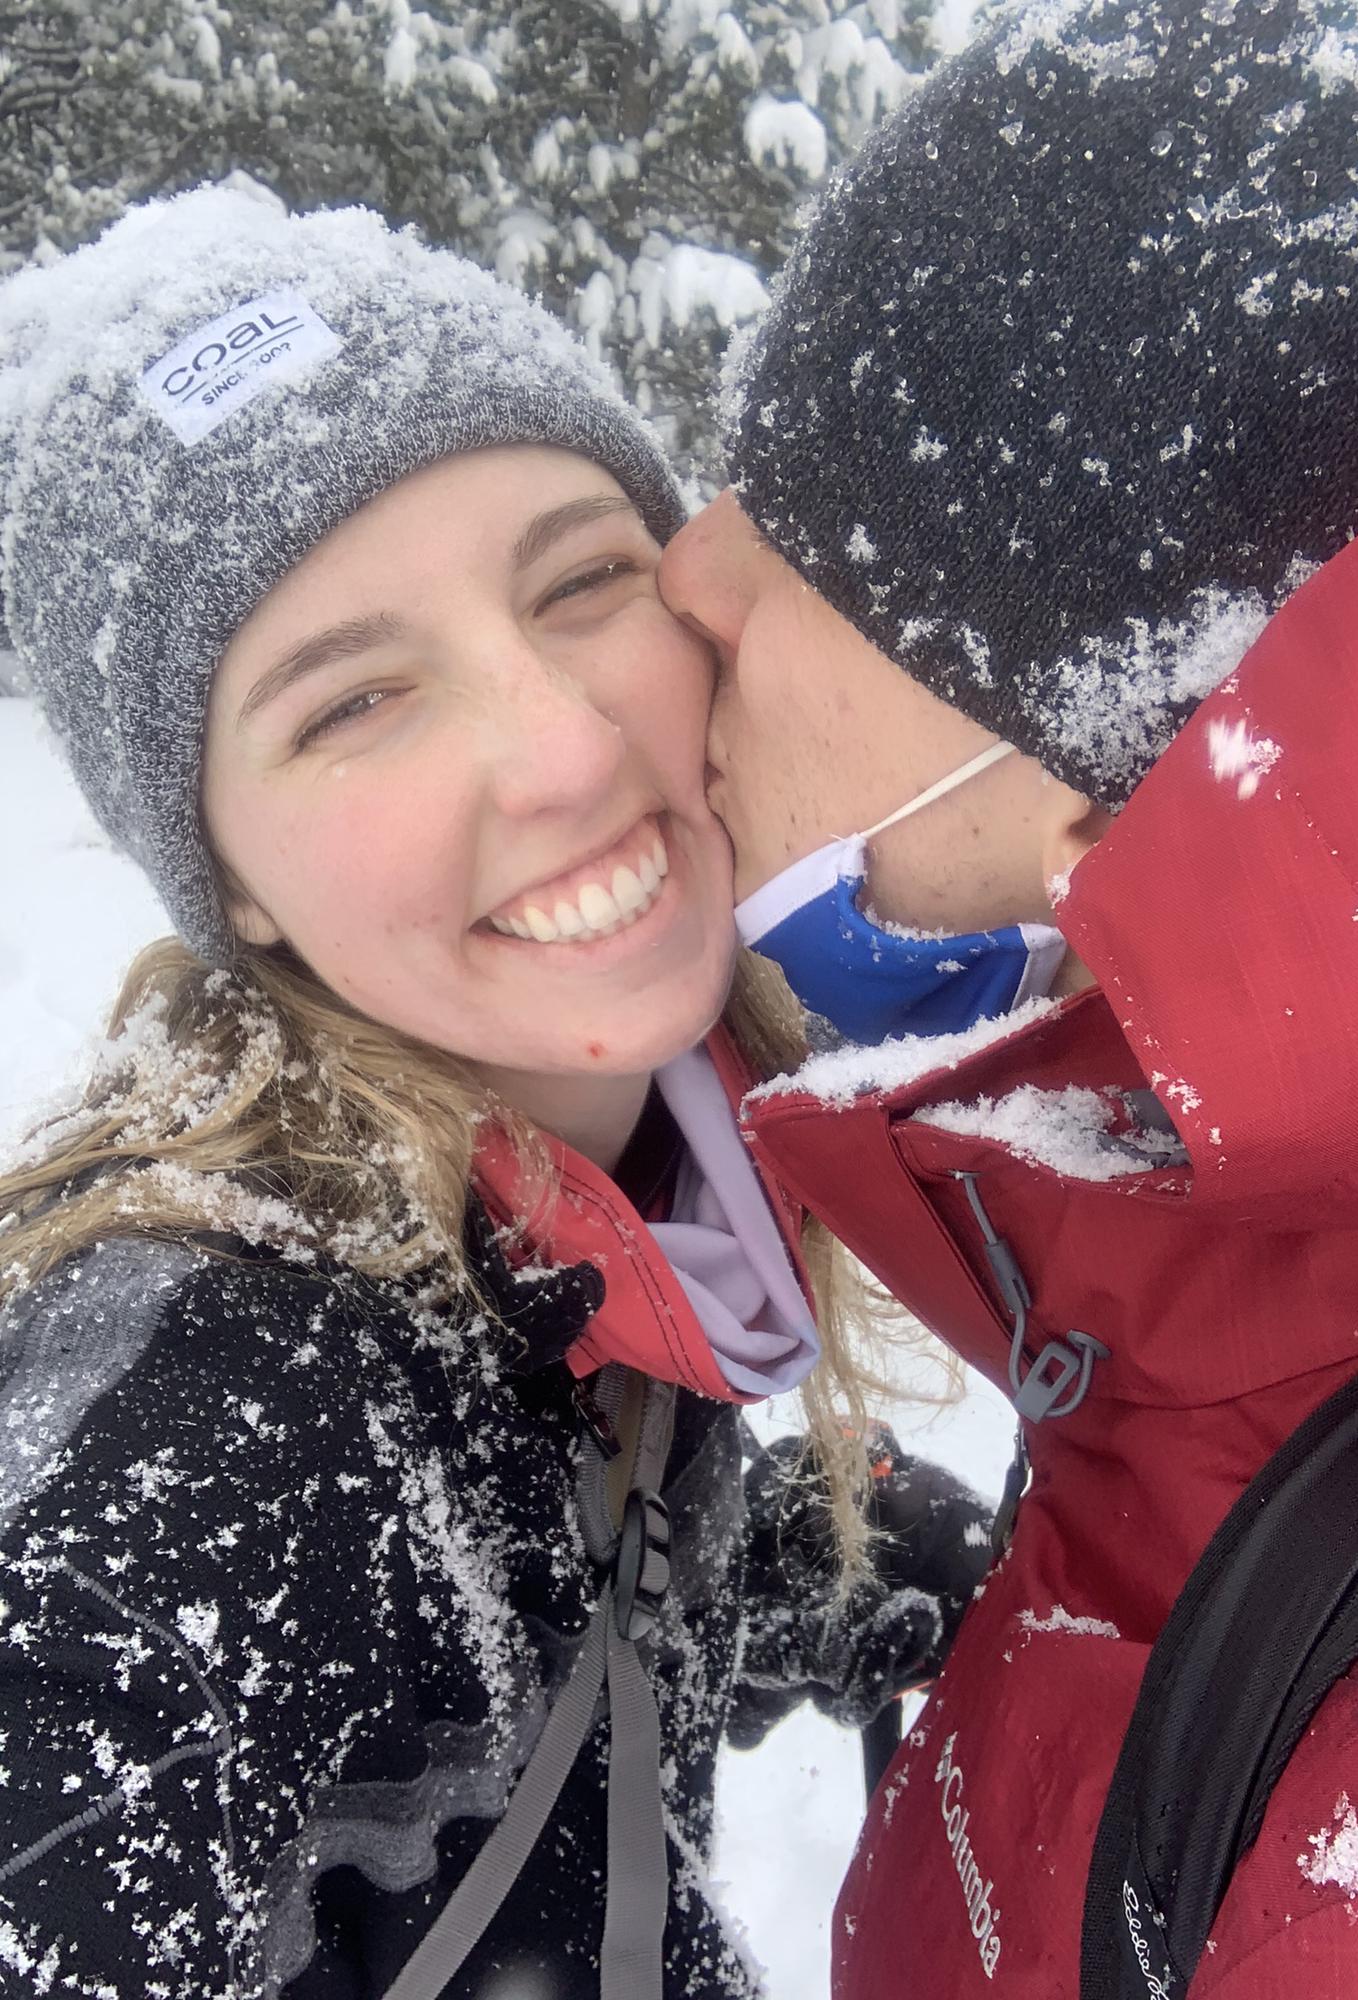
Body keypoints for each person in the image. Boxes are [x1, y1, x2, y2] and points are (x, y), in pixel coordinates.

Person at [0, 187, 990, 2000]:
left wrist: (786, 1564)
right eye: (352, 701)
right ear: (225, 879)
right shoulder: (207, 1429)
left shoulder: (599, 1211)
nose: (561, 745)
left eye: (586, 580)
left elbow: (497, 1617)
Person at [658, 3, 1358, 1993]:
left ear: (1100, 736)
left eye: (808, 531)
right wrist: (1074, 1621)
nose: (687, 568)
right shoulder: (1265, 1251)